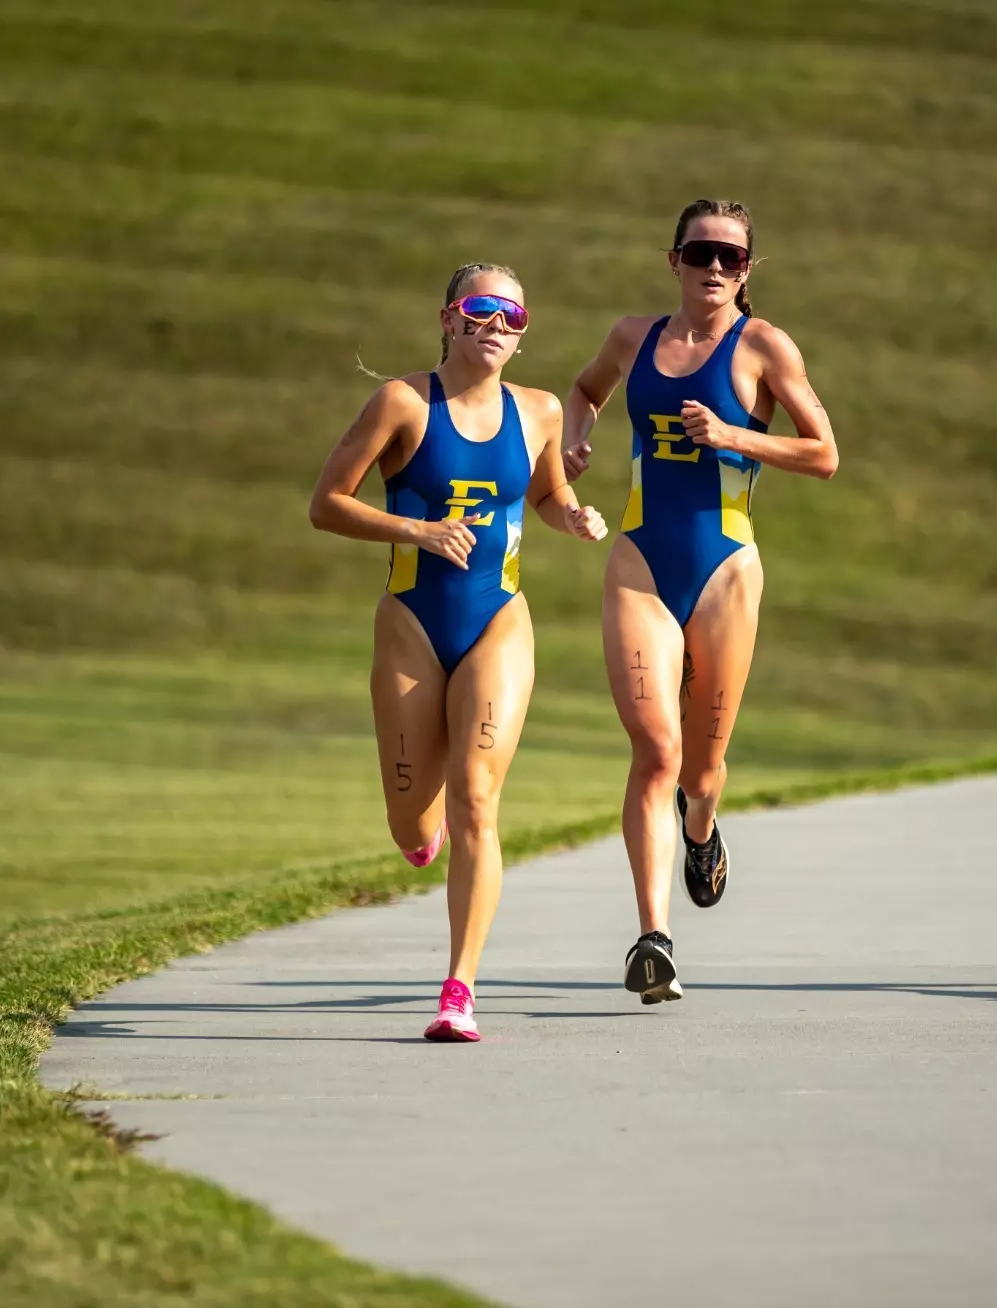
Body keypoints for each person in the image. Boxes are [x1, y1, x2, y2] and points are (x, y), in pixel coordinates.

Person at [310, 263, 607, 1041]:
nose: (499, 325)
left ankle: (459, 988)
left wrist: (570, 515)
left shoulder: (540, 411)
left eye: (514, 315)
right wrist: (418, 530)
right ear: (449, 318)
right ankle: (422, 830)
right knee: (411, 822)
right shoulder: (402, 403)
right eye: (483, 309)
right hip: (411, 620)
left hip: (497, 621)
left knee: (479, 793)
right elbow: (327, 503)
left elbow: (543, 492)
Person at [562, 199, 837, 1004]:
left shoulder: (764, 347)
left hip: (726, 569)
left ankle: (702, 830)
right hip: (641, 560)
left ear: (748, 270)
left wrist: (735, 436)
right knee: (655, 750)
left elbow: (824, 452)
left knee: (702, 770)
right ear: (673, 260)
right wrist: (575, 436)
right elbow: (585, 390)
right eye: (700, 253)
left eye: (731, 257)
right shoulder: (632, 337)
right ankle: (655, 938)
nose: (714, 268)